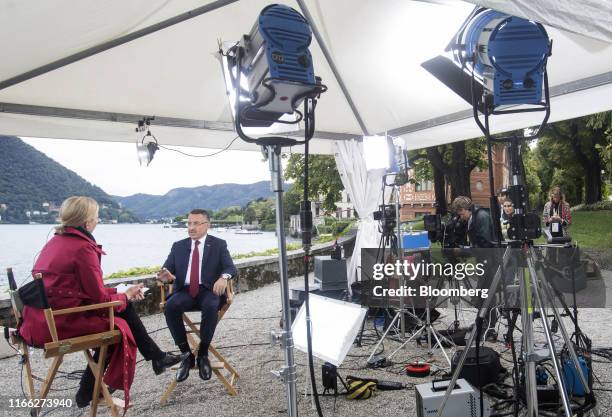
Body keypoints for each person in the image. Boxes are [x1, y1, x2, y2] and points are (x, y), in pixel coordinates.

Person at [18, 196, 182, 409]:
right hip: (61, 324)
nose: (97, 221)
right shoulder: (83, 248)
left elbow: (79, 289)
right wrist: (125, 296)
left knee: (121, 313)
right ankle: (88, 391)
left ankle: (155, 357)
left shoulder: (54, 242)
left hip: (39, 320)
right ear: (87, 222)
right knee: (119, 329)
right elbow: (99, 299)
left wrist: (121, 292)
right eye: (96, 217)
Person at [158, 209, 237, 382]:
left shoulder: (218, 244)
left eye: (196, 223)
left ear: (207, 225)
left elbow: (230, 268)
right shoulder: (178, 246)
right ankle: (186, 354)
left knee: (210, 306)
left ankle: (202, 354)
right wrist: (166, 276)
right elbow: (166, 269)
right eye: (189, 223)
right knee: (170, 307)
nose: (191, 227)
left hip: (209, 290)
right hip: (185, 290)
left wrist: (224, 278)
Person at [451, 196, 498, 340]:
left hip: (491, 262)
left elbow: (486, 244)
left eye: (460, 214)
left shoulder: (481, 217)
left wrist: (465, 250)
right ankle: (483, 322)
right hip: (485, 261)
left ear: (464, 209)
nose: (461, 217)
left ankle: (488, 328)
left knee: (485, 295)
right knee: (482, 294)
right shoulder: (475, 217)